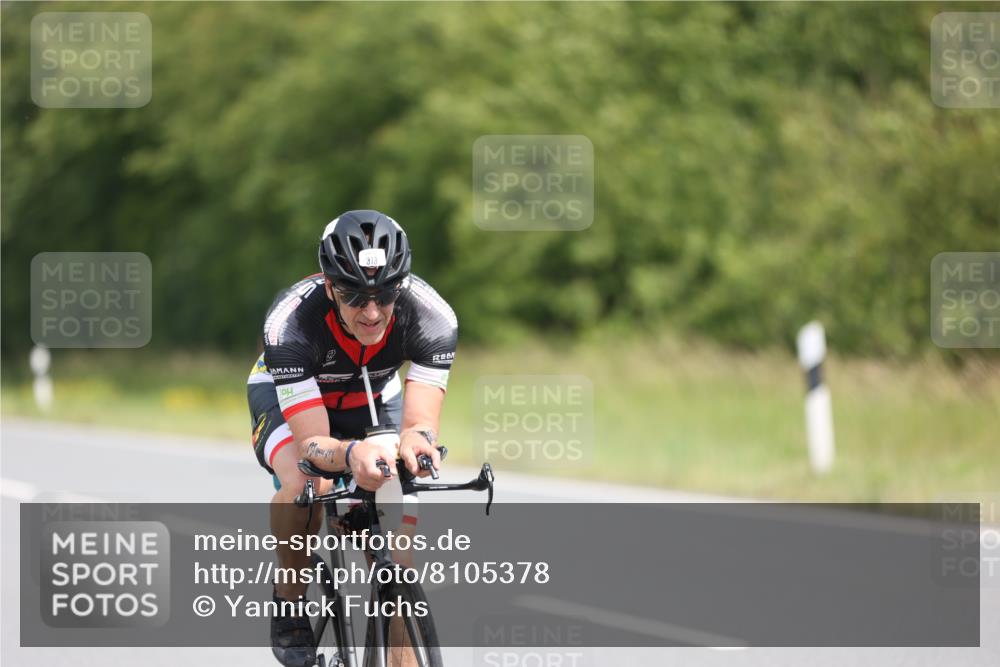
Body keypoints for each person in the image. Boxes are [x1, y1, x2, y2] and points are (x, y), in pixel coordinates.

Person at [246, 210, 457, 667]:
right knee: (307, 485)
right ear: (328, 287)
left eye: (385, 295)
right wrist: (352, 454)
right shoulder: (291, 324)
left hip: (371, 392)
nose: (373, 311)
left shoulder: (432, 318)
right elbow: (312, 446)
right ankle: (289, 600)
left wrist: (417, 444)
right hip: (291, 399)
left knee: (395, 538)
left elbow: (420, 422)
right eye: (355, 296)